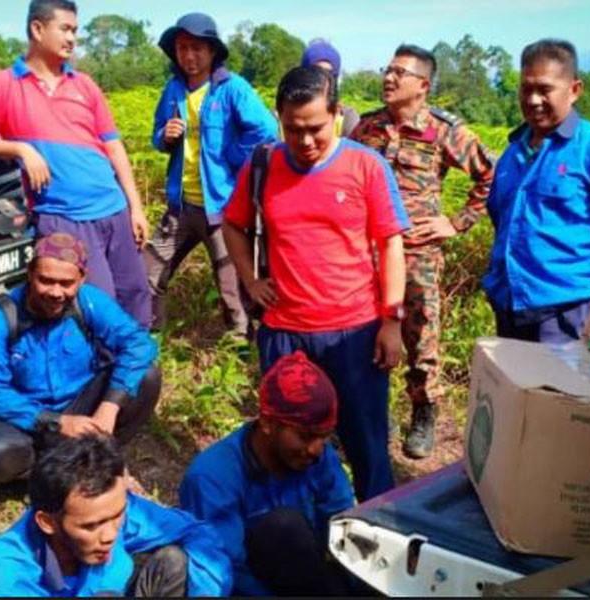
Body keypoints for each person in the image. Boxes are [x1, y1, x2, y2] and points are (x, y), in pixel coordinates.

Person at [223, 66, 409, 502]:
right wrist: (251, 281)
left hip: (355, 331)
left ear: (338, 115)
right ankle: (296, 534)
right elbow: (233, 226)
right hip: (285, 332)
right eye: (292, 129)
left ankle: (378, 529)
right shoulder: (264, 165)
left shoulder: (366, 166)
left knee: (366, 444)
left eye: (315, 129)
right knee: (285, 445)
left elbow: (391, 246)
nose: (304, 142)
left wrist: (392, 320)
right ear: (278, 118)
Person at [0, 0, 151, 328]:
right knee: (93, 305)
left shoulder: (84, 84)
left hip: (113, 208)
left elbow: (114, 146)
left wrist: (135, 207)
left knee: (134, 293)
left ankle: (136, 374)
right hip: (64, 217)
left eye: (75, 31)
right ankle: (97, 376)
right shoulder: (3, 84)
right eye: (65, 29)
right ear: (37, 29)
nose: (72, 38)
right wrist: (21, 148)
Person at [350, 44, 495, 459]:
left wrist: (455, 222)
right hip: (368, 255)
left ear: (423, 85)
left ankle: (424, 413)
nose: (389, 78)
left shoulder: (444, 130)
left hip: (417, 256)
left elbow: (491, 175)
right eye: (388, 69)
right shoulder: (368, 127)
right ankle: (377, 414)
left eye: (400, 72)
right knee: (364, 338)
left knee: (420, 339)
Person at [0, 233, 161, 484]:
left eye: (66, 283)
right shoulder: (0, 316)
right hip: (28, 418)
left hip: (82, 405)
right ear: (30, 274)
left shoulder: (89, 301)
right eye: (46, 281)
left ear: (82, 278)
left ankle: (97, 454)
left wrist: (109, 406)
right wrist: (55, 423)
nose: (56, 292)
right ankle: (58, 468)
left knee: (147, 377)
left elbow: (138, 344)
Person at [180, 351, 357, 596]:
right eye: (305, 436)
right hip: (247, 587)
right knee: (283, 527)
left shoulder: (317, 457)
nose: (317, 449)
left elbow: (342, 524)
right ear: (267, 423)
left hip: (308, 574)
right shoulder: (212, 478)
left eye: (325, 436)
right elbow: (225, 569)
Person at [0, 434, 232, 597]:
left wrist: (206, 592)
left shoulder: (111, 510)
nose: (110, 534)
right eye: (90, 526)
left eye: (117, 515)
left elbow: (198, 533)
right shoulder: (3, 578)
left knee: (174, 563)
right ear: (47, 522)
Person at [145, 13, 278, 337]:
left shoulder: (231, 89)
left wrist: (233, 155)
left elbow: (267, 130)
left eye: (197, 48)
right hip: (181, 206)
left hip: (222, 207)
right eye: (182, 48)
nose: (189, 56)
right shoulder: (173, 90)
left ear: (212, 51)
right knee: (147, 275)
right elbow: (156, 136)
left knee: (232, 287)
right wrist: (166, 135)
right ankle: (147, 340)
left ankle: (239, 346)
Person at [483, 39, 590, 343]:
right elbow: (501, 220)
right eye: (526, 89)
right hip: (509, 306)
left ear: (574, 90)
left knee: (557, 390)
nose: (533, 100)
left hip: (567, 309)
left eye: (545, 89)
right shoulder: (511, 154)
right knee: (515, 388)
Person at [300, 39, 359, 137]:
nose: (322, 79)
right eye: (316, 72)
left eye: (328, 73)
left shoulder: (347, 117)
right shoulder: (283, 115)